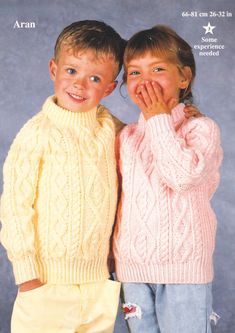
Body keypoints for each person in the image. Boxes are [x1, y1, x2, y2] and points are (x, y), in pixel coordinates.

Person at [0, 20, 126, 333]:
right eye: (71, 71)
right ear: (54, 69)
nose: (79, 85)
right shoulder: (36, 134)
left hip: (98, 283)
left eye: (94, 78)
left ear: (109, 87)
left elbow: (147, 145)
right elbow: (15, 207)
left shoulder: (110, 128)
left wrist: (178, 114)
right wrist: (27, 272)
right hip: (46, 283)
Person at [113, 25, 223, 333]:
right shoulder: (127, 137)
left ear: (184, 77)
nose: (145, 81)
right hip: (133, 272)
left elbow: (182, 176)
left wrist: (158, 118)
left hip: (183, 271)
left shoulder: (200, 129)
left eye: (158, 69)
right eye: (134, 73)